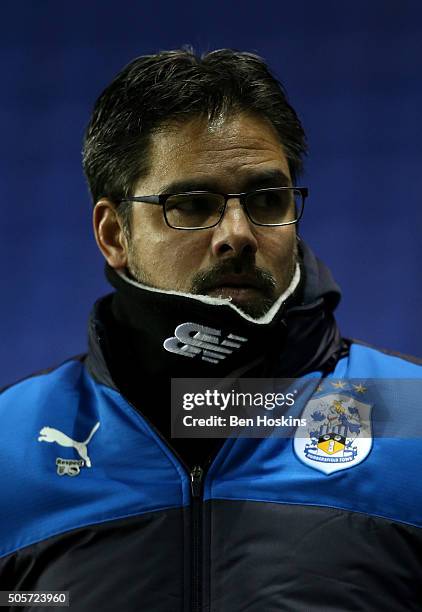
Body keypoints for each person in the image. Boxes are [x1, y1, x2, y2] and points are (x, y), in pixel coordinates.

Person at [1, 48, 421, 612]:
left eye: (268, 199)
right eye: (194, 204)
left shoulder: (411, 417)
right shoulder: (9, 445)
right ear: (114, 234)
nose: (238, 233)